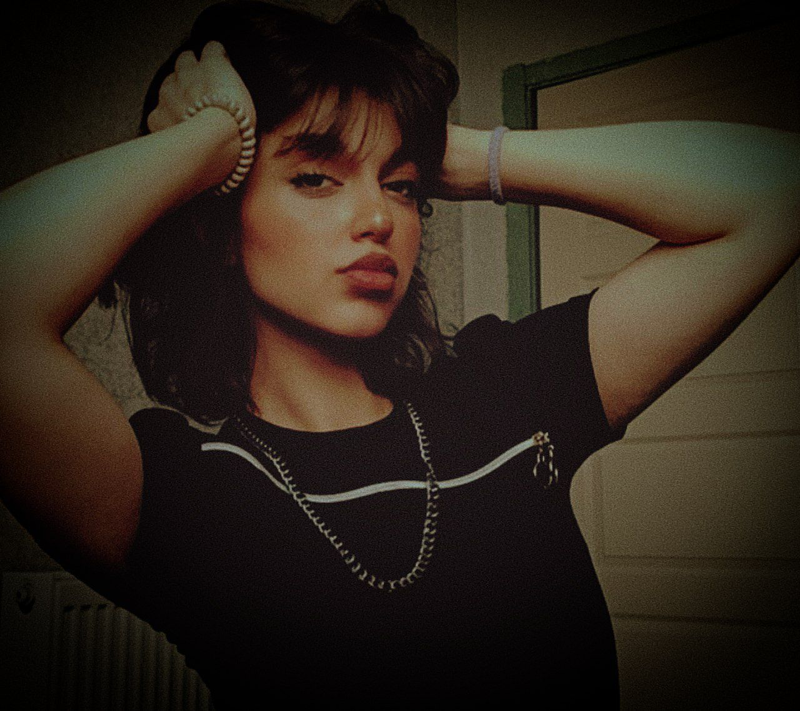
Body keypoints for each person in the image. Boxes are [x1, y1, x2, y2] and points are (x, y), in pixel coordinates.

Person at [0, 0, 798, 706]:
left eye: (403, 186)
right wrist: (209, 140)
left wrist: (456, 151)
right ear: (221, 227)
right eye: (316, 177)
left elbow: (773, 191)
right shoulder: (185, 493)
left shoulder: (507, 387)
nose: (379, 218)